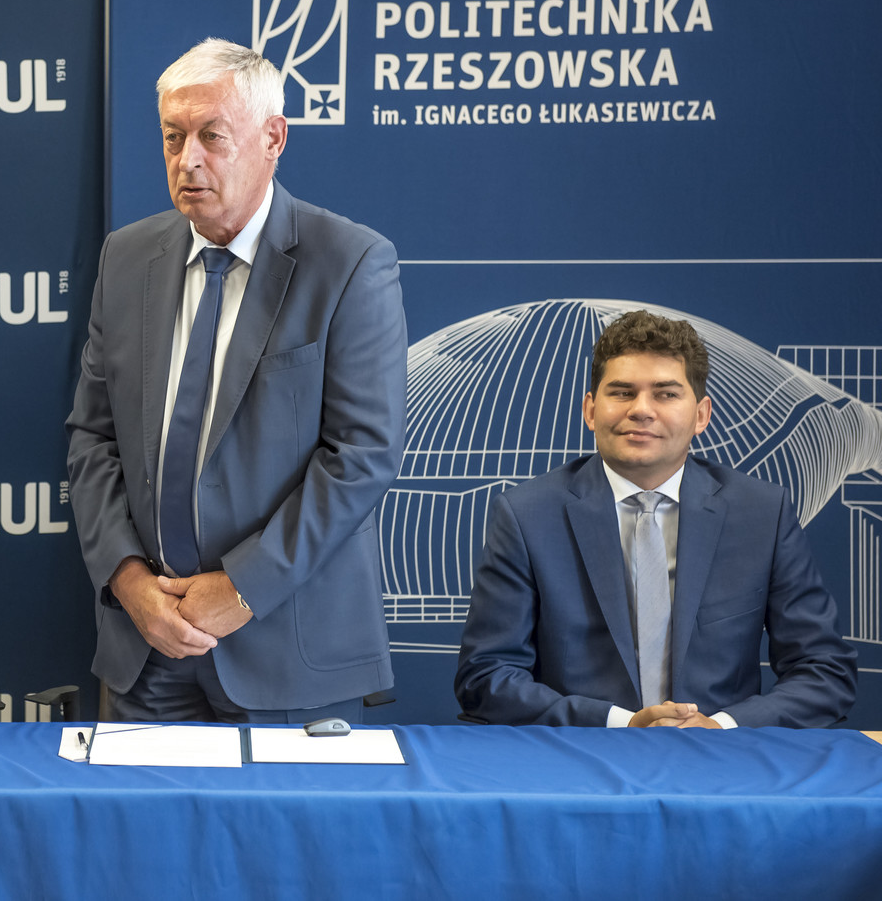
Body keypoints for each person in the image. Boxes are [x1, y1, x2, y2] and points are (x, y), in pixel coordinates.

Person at [66, 39, 408, 722]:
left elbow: (361, 456)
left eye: (211, 136)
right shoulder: (126, 258)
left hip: (289, 651)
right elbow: (92, 439)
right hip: (150, 647)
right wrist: (129, 582)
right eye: (173, 136)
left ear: (273, 138)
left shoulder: (349, 262)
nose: (187, 159)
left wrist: (242, 588)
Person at [455, 310, 857, 728]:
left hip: (723, 758)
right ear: (591, 410)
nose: (642, 410)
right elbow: (486, 676)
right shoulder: (527, 515)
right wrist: (620, 724)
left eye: (665, 394)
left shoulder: (761, 513)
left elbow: (825, 671)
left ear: (701, 415)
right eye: (622, 392)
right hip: (583, 753)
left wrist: (720, 726)